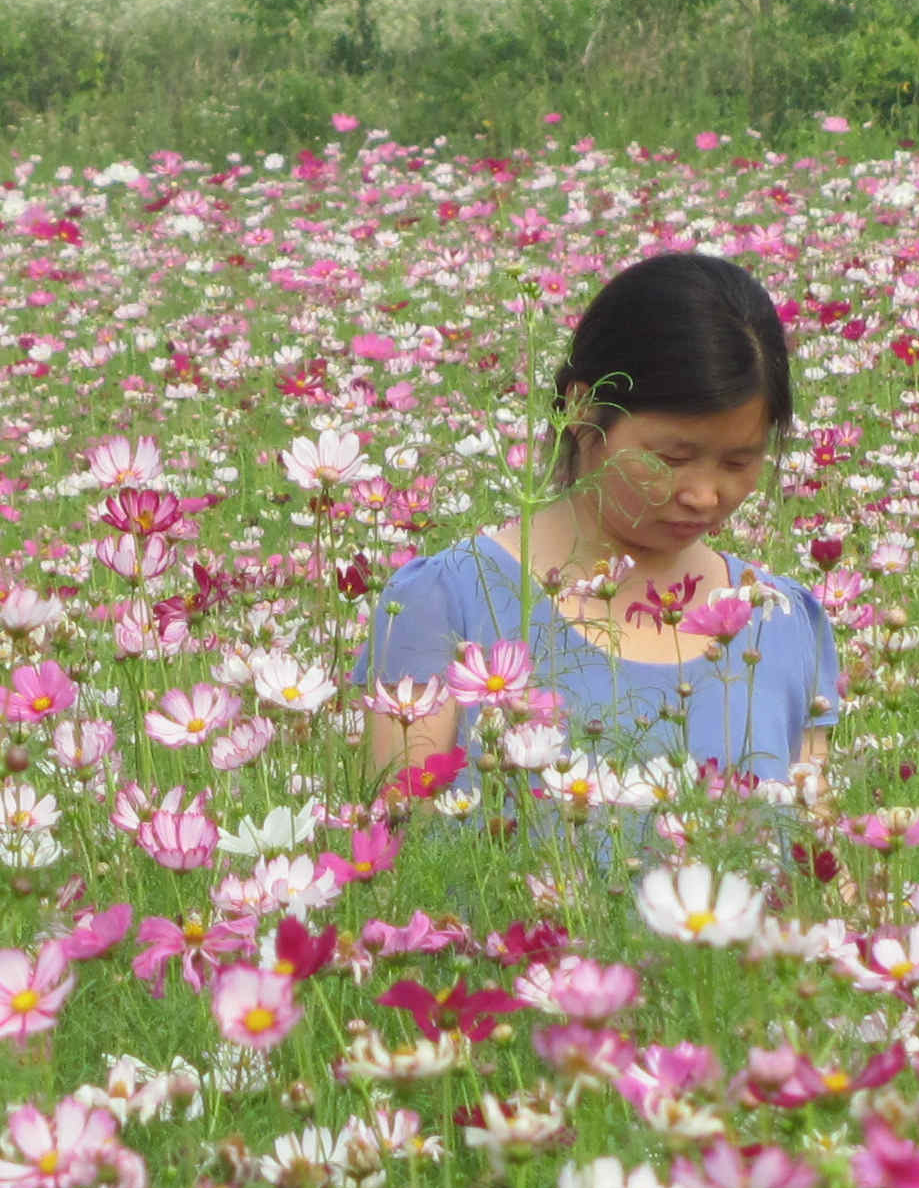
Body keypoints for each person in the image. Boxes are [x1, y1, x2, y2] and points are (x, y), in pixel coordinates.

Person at [360, 250, 840, 791]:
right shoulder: (449, 600)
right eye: (672, 458)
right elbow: (405, 829)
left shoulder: (781, 620)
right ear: (583, 410)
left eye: (739, 462)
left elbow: (809, 844)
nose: (705, 496)